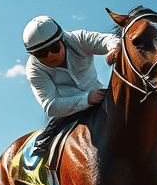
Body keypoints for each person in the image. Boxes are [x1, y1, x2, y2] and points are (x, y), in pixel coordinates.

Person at [22, 15, 120, 155]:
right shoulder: (33, 69)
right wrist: (87, 99)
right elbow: (51, 106)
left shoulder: (78, 39)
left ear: (63, 39)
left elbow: (107, 40)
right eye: (41, 53)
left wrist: (115, 47)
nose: (50, 55)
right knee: (42, 149)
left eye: (55, 48)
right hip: (66, 114)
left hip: (101, 98)